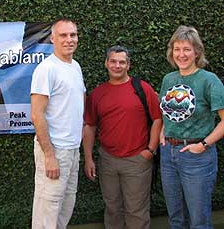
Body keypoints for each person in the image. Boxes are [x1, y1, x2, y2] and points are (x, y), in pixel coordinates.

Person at [83, 45, 162, 229]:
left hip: (137, 160)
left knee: (136, 211)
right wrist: (88, 159)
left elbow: (157, 119)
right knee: (112, 209)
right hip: (108, 160)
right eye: (113, 61)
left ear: (128, 65)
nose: (117, 65)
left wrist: (150, 150)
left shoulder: (142, 88)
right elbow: (90, 126)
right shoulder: (97, 94)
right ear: (106, 63)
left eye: (122, 62)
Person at [159, 25, 224, 229]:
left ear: (197, 51)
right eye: (177, 49)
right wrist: (163, 132)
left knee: (198, 221)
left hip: (197, 157)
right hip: (168, 155)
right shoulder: (168, 79)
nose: (181, 54)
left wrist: (203, 145)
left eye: (187, 49)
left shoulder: (209, 80)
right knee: (176, 217)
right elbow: (167, 112)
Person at [30, 18, 86, 229]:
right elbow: (37, 114)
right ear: (52, 38)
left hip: (72, 149)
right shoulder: (46, 69)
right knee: (48, 210)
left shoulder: (75, 67)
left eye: (73, 35)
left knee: (65, 206)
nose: (69, 40)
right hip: (55, 151)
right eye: (63, 35)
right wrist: (50, 156)